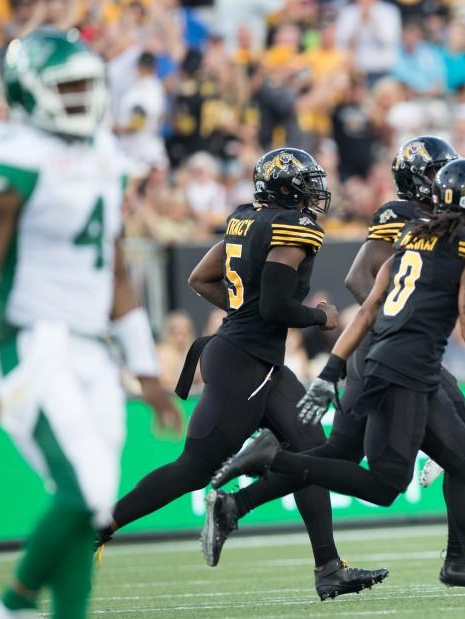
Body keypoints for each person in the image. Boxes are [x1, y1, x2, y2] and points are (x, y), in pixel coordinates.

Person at [212, 158, 465, 605]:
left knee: (464, 455)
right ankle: (274, 457)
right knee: (386, 485)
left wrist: (334, 369)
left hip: (382, 360)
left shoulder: (412, 237)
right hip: (406, 370)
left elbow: (367, 309)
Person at [0, 29, 182, 619]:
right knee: (80, 492)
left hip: (91, 349)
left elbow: (118, 278)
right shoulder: (7, 153)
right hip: (31, 342)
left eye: (87, 84)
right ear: (27, 92)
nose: (81, 96)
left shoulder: (105, 153)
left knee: (96, 504)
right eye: (67, 86)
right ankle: (10, 607)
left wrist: (146, 373)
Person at [96, 147, 388, 601]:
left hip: (255, 360)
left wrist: (244, 314)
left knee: (316, 453)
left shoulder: (244, 220)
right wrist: (320, 318)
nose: (314, 193)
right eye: (306, 183)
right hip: (243, 364)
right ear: (286, 187)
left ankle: (327, 566)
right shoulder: (293, 228)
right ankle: (100, 526)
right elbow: (274, 306)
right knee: (194, 469)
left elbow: (201, 277)